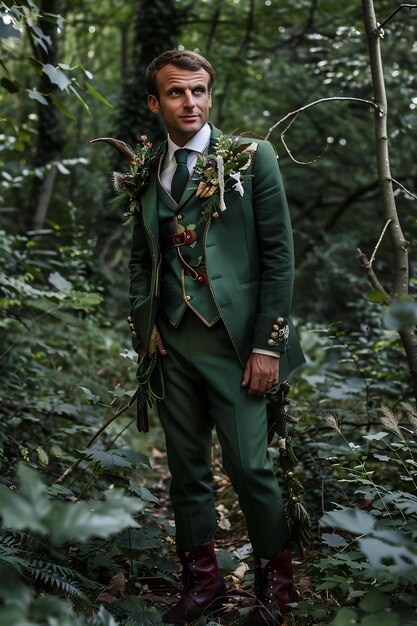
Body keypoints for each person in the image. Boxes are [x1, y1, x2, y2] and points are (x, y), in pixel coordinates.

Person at [127, 49, 305, 625]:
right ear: (155, 103)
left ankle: (274, 590)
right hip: (171, 340)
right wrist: (146, 324)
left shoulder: (252, 158)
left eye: (199, 91)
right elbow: (141, 258)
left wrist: (268, 345)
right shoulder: (148, 164)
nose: (191, 103)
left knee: (250, 466)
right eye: (176, 93)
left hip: (235, 342)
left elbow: (279, 258)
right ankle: (201, 587)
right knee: (186, 469)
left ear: (211, 94)